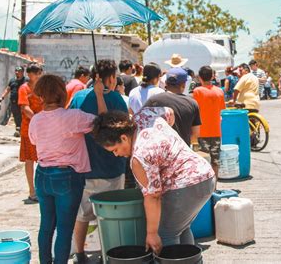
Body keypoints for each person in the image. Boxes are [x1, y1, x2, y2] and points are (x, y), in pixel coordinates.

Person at [92, 107, 215, 254]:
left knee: (165, 234)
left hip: (184, 186)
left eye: (115, 149)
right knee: (180, 228)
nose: (116, 155)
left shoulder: (139, 157)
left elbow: (153, 196)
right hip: (205, 175)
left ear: (124, 138)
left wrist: (151, 233)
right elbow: (169, 112)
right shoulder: (146, 115)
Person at [29, 74, 107, 264]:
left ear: (41, 96)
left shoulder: (36, 120)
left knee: (46, 225)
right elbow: (103, 122)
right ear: (61, 94)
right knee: (64, 228)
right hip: (67, 176)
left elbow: (33, 141)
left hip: (42, 175)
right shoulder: (73, 117)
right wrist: (98, 95)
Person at [69, 59, 129, 264]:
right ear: (111, 77)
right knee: (112, 215)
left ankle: (79, 253)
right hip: (113, 167)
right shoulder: (117, 99)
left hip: (84, 167)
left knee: (82, 214)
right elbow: (122, 129)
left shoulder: (78, 97)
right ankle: (110, 253)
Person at [144, 67, 201, 146]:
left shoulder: (153, 100)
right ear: (183, 84)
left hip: (159, 152)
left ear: (166, 83)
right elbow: (195, 134)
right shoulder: (192, 103)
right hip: (182, 152)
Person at [192, 66, 226, 181]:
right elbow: (221, 109)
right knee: (215, 162)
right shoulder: (219, 91)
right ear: (212, 76)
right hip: (216, 132)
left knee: (203, 163)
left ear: (199, 77)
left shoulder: (197, 92)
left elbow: (194, 111)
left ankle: (205, 190)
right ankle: (214, 187)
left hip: (201, 133)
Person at [17, 63, 43, 203]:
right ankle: (32, 191)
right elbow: (25, 108)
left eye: (40, 72)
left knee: (44, 160)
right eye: (36, 73)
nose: (38, 75)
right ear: (29, 74)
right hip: (28, 130)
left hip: (43, 130)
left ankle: (41, 189)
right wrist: (38, 120)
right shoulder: (24, 88)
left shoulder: (42, 89)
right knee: (29, 160)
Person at [0, 66, 27, 137]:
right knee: (16, 116)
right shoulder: (12, 80)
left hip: (24, 102)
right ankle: (18, 129)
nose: (17, 72)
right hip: (14, 102)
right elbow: (7, 90)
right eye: (16, 71)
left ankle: (24, 130)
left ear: (23, 72)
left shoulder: (26, 80)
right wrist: (1, 97)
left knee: (24, 116)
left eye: (19, 71)